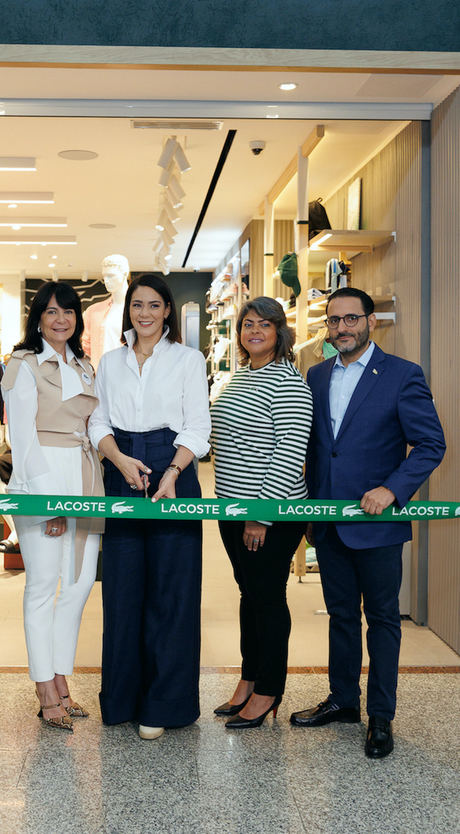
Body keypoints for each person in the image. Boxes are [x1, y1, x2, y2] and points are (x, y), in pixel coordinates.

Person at [290, 287, 446, 759]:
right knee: (340, 616)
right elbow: (319, 448)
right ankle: (343, 700)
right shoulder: (315, 375)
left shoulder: (402, 375)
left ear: (370, 322)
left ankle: (381, 716)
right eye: (334, 321)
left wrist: (393, 489)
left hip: (378, 524)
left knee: (381, 620)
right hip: (330, 522)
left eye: (351, 319)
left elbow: (431, 444)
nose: (342, 328)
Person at [88, 273, 211, 740]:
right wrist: (117, 459)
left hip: (173, 467)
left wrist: (173, 473)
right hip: (121, 468)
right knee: (122, 591)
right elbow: (98, 419)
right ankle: (121, 700)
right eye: (137, 305)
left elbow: (198, 425)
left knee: (172, 593)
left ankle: (164, 703)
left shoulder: (187, 358)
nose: (144, 313)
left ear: (167, 311)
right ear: (129, 310)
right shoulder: (111, 361)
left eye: (154, 305)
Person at [1, 281, 104, 732]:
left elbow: (96, 423)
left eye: (68, 311)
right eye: (51, 311)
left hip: (86, 477)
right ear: (38, 317)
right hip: (42, 481)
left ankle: (62, 677)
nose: (60, 319)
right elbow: (21, 439)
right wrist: (51, 503)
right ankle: (44, 688)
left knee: (79, 586)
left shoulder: (84, 365)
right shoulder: (22, 364)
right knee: (43, 587)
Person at [210, 297, 313, 729]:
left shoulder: (288, 382)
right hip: (233, 507)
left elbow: (289, 454)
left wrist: (260, 515)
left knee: (267, 599)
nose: (254, 331)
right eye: (247, 324)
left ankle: (269, 689)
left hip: (271, 512)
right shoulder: (239, 378)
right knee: (249, 595)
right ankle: (248, 679)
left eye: (264, 325)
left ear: (280, 333)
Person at [81, 253, 130, 364]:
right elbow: (86, 347)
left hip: (130, 374)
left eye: (111, 276)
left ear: (125, 274)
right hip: (101, 375)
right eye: (104, 276)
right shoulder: (93, 312)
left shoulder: (139, 310)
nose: (106, 280)